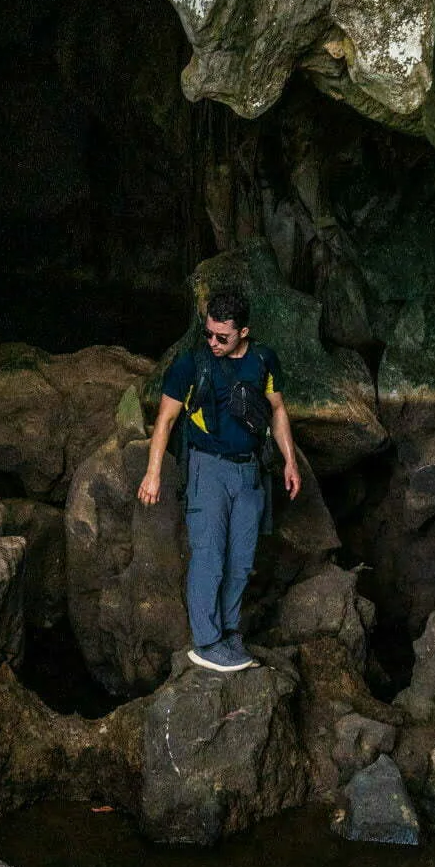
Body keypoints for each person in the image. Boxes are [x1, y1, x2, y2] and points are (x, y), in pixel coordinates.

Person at [136, 288, 302, 672]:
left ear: (243, 331)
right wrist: (153, 472)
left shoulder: (264, 360)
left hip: (249, 472)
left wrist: (290, 461)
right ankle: (206, 642)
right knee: (209, 556)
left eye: (222, 337)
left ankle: (228, 633)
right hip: (207, 469)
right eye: (208, 333)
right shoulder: (191, 365)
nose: (212, 342)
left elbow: (277, 410)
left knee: (241, 560)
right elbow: (165, 420)